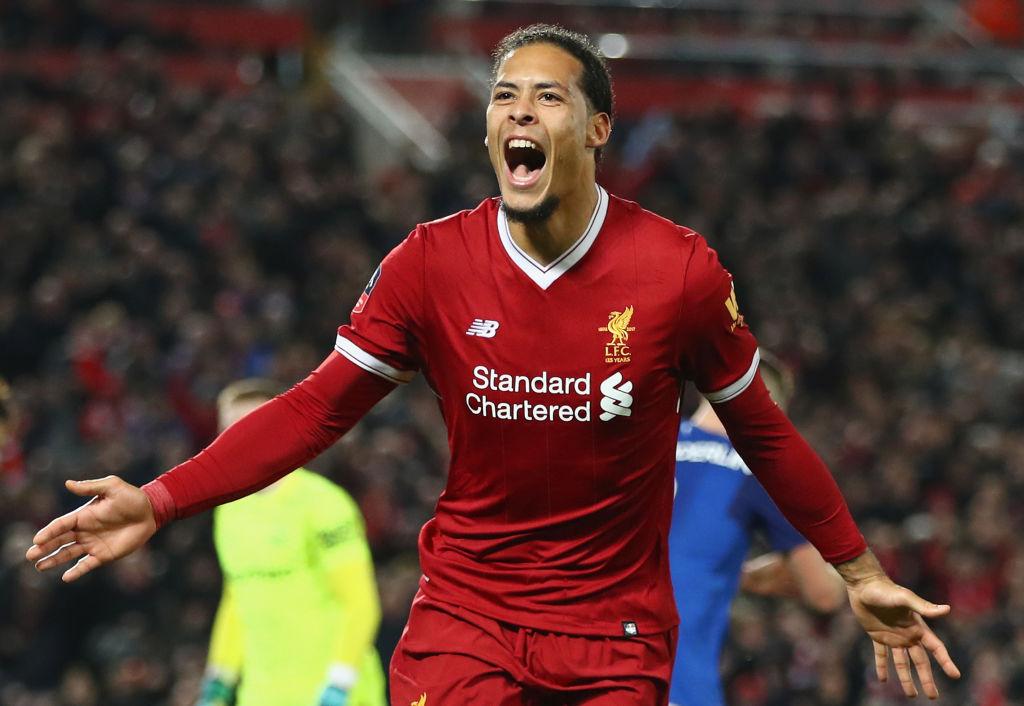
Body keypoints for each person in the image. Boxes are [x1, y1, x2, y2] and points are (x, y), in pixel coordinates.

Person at [28, 23, 960, 705]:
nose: (520, 109)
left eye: (548, 96)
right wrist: (159, 501)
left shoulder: (676, 271)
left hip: (614, 638)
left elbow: (764, 431)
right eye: (504, 95)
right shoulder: (430, 264)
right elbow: (313, 409)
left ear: (597, 128)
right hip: (466, 619)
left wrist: (858, 569)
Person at [195, 379, 387, 706]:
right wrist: (218, 680)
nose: (237, 439)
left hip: (333, 692)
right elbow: (238, 597)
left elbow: (360, 603)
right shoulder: (228, 510)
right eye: (229, 429)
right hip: (261, 696)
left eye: (250, 426)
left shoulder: (323, 504)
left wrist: (339, 684)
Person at [668, 353, 845, 706]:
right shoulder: (756, 471)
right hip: (675, 683)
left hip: (588, 671)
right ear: (772, 409)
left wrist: (732, 574)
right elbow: (824, 595)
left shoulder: (646, 445)